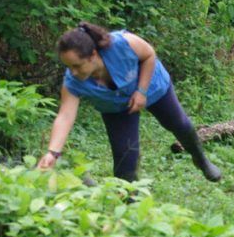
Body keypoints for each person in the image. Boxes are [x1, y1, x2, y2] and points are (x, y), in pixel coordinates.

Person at [37, 22, 221, 183]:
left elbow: (149, 54)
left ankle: (201, 159)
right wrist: (53, 153)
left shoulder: (121, 44)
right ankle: (131, 209)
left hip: (151, 86)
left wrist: (141, 91)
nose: (73, 72)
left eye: (77, 65)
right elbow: (65, 116)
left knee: (179, 124)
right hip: (116, 107)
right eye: (69, 67)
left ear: (93, 55)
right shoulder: (72, 82)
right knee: (125, 158)